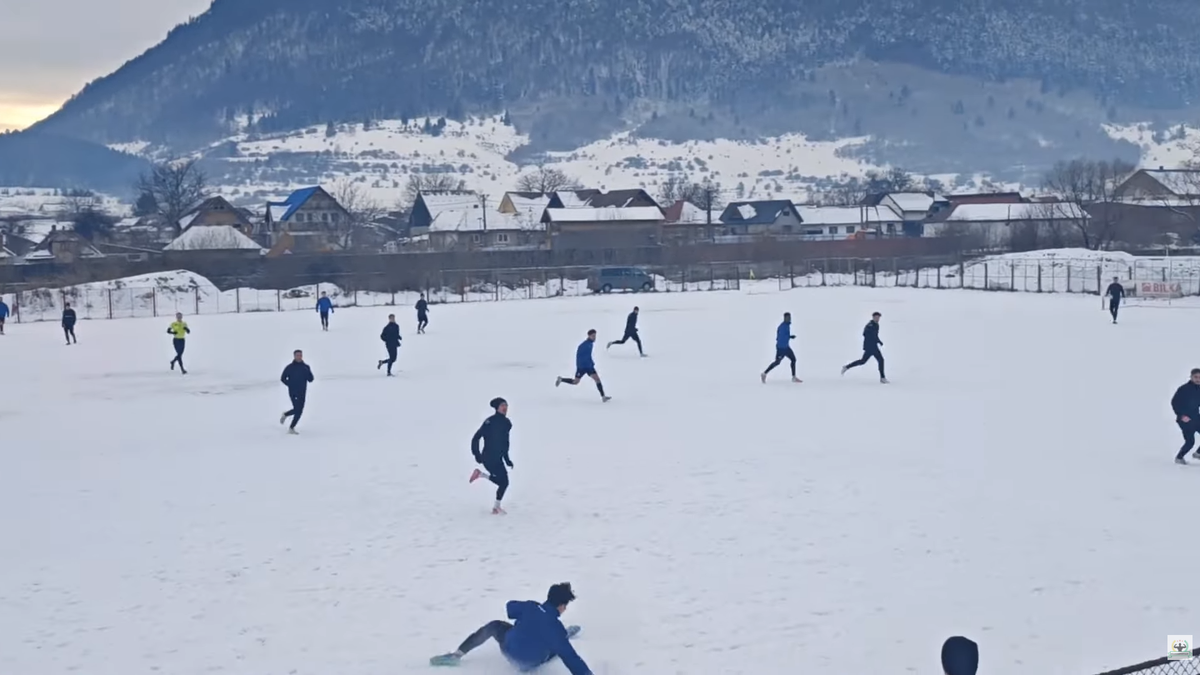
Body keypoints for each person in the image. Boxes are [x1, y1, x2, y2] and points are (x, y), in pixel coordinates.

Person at [430, 582, 591, 674]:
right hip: (529, 663)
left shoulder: (530, 606)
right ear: (562, 605)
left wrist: (527, 616)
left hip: (508, 648)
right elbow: (572, 660)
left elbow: (509, 607)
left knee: (494, 626)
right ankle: (566, 637)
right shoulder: (556, 629)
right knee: (559, 646)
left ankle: (457, 654)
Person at [469, 397, 513, 514]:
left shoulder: (507, 423)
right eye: (502, 405)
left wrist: (507, 459)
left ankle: (480, 475)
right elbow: (476, 438)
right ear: (497, 408)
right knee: (504, 482)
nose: (505, 407)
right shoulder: (490, 422)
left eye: (506, 405)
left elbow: (505, 443)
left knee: (503, 482)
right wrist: (477, 454)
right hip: (488, 457)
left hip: (498, 458)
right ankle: (496, 508)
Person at [556, 330, 610, 402]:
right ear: (589, 336)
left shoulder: (590, 344)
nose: (594, 337)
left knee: (597, 379)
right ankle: (561, 379)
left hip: (589, 367)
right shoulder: (584, 345)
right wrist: (582, 366)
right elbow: (579, 356)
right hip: (582, 367)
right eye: (593, 336)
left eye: (595, 336)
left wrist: (591, 363)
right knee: (575, 382)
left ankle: (603, 397)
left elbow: (588, 356)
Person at [842, 311, 887, 383]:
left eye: (878, 317)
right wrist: (872, 340)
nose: (877, 319)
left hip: (873, 346)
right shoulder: (870, 325)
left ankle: (846, 367)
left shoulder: (876, 325)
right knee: (880, 360)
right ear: (873, 317)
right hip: (870, 346)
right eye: (876, 317)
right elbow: (865, 334)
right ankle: (882, 378)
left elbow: (875, 335)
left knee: (863, 361)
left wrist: (879, 341)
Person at [279, 350, 314, 434]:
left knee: (299, 411)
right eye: (297, 355)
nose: (299, 357)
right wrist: (290, 385)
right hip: (293, 392)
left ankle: (286, 415)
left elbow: (311, 379)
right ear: (294, 356)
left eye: (300, 355)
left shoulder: (306, 367)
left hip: (302, 392)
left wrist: (307, 372)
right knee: (298, 409)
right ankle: (291, 428)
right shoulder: (289, 367)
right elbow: (283, 378)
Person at [1170, 368, 1200, 464]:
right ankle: (1179, 458)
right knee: (1190, 442)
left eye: (1199, 377)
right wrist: (1181, 415)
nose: (1198, 379)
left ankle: (1198, 453)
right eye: (1195, 377)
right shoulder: (1184, 389)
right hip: (1185, 419)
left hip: (1196, 417)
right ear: (1191, 377)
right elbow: (1174, 402)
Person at [761, 312, 800, 383]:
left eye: (789, 317)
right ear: (784, 318)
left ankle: (794, 377)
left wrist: (790, 337)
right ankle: (764, 374)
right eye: (787, 318)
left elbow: (784, 336)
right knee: (777, 362)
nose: (789, 319)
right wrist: (789, 337)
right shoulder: (782, 327)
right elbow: (780, 338)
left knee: (793, 359)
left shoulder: (787, 325)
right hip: (781, 349)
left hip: (786, 348)